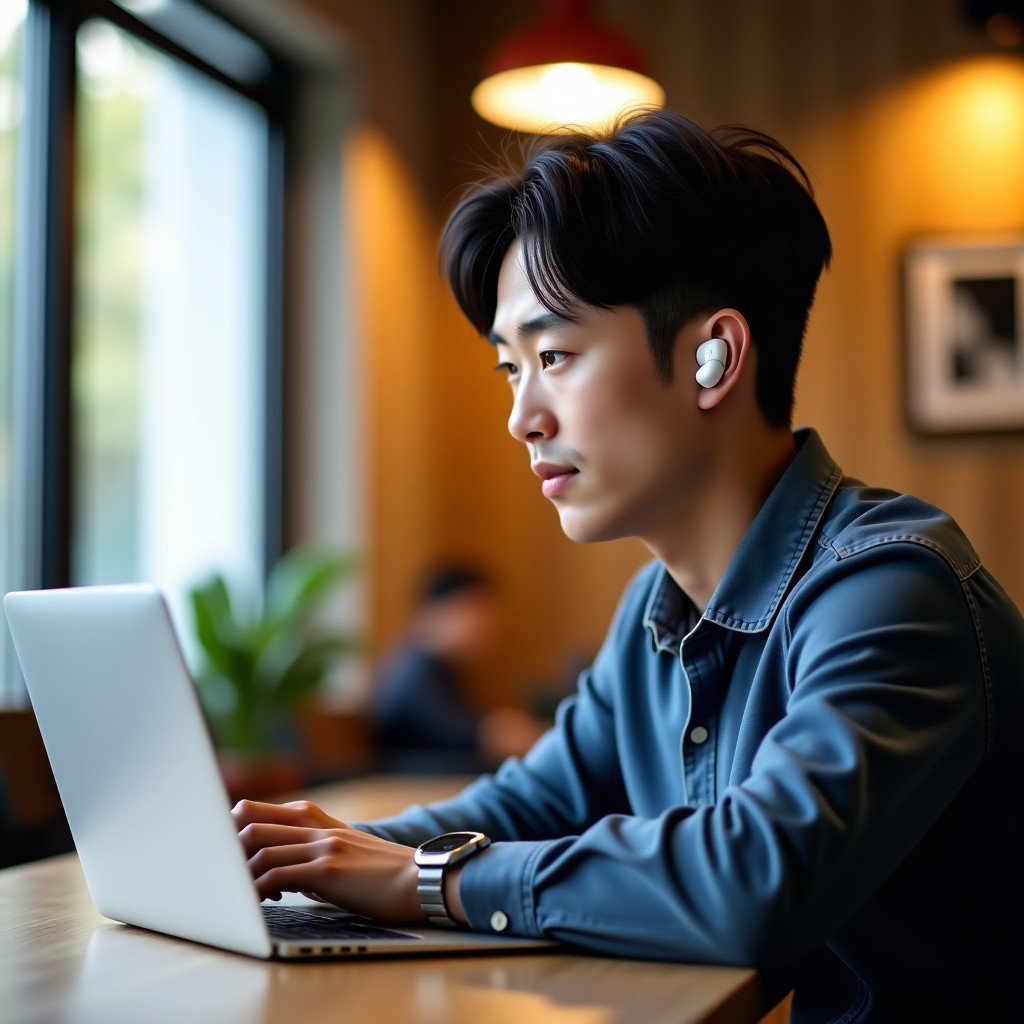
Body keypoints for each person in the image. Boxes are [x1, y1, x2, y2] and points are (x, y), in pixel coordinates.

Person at [231, 110, 1024, 1022]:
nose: (521, 418)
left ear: (711, 357)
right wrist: (303, 860)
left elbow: (752, 882)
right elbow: (531, 803)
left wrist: (417, 878)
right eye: (509, 369)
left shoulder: (894, 591)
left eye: (555, 356)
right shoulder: (657, 609)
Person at [368, 564, 545, 772]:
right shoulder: (415, 670)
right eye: (478, 613)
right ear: (440, 610)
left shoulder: (432, 664)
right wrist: (500, 730)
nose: (490, 628)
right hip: (412, 784)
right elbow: (460, 733)